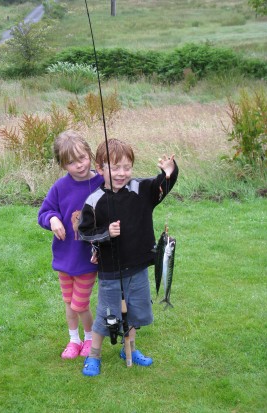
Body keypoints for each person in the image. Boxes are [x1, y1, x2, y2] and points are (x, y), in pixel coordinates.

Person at [78, 138, 178, 376]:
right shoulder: (94, 201)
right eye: (115, 168)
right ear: (100, 169)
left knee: (133, 312)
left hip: (139, 266)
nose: (122, 173)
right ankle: (94, 355)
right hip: (111, 270)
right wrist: (106, 233)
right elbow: (84, 232)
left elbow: (162, 185)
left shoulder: (141, 190)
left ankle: (129, 349)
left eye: (127, 167)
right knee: (106, 314)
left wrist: (170, 172)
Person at [38, 130, 103, 359]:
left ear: (90, 154)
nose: (79, 165)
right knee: (69, 303)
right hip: (65, 258)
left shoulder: (102, 182)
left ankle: (89, 338)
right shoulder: (59, 187)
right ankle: (73, 340)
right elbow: (44, 212)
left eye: (83, 158)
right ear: (63, 165)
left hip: (88, 259)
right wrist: (53, 219)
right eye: (71, 162)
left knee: (79, 304)